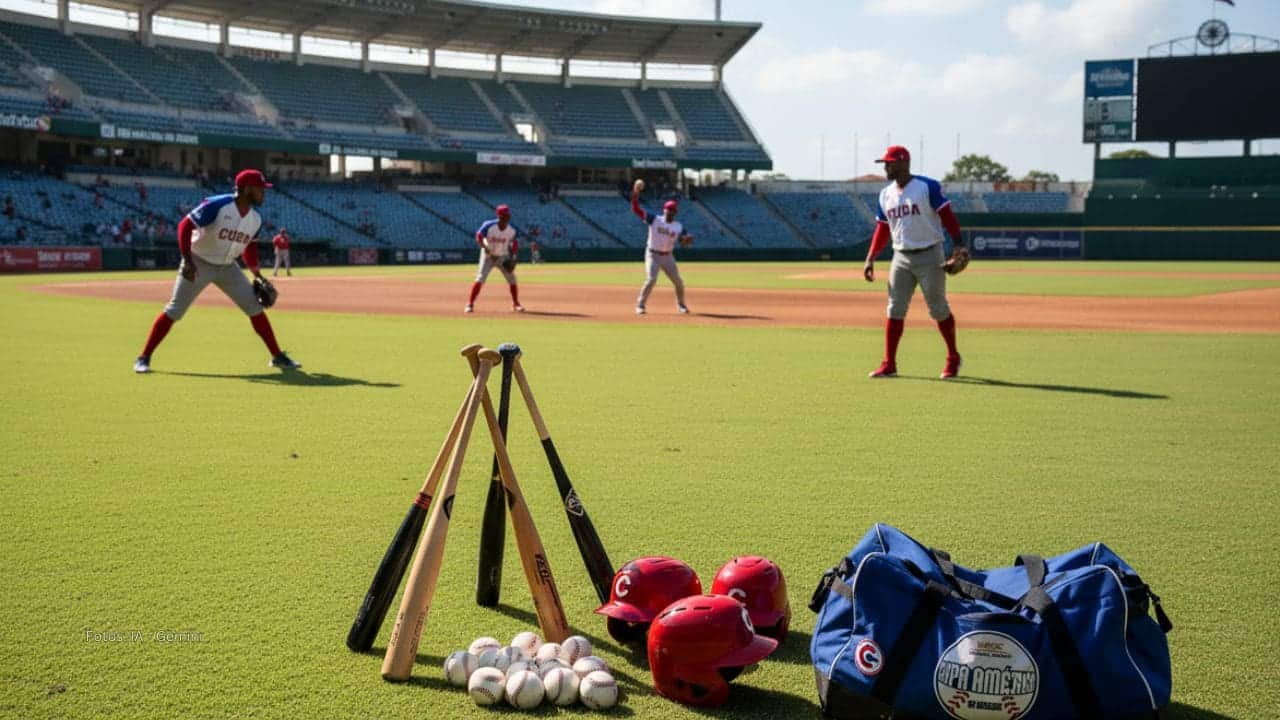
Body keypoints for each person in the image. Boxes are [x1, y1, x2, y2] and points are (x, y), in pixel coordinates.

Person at [133, 169, 299, 374]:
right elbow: (185, 226)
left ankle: (277, 356)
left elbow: (249, 247)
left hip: (227, 266)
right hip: (199, 262)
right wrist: (187, 260)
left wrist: (257, 274)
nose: (263, 193)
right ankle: (144, 357)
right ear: (247, 189)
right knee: (175, 309)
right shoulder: (218, 205)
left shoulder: (255, 219)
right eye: (259, 189)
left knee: (254, 308)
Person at [863, 145, 965, 379]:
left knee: (938, 309)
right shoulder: (885, 194)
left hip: (930, 254)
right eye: (885, 163)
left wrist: (958, 243)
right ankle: (889, 363)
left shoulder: (926, 187)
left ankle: (953, 357)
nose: (886, 167)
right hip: (900, 256)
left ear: (903, 162)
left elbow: (947, 215)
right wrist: (871, 258)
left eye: (889, 162)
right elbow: (882, 228)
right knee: (894, 309)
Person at [630, 179, 692, 315]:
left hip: (668, 256)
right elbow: (635, 209)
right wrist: (635, 193)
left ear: (675, 212)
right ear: (664, 210)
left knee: (678, 282)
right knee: (651, 279)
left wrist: (687, 240)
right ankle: (640, 305)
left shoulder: (678, 226)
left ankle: (681, 305)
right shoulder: (655, 219)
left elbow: (686, 240)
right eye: (667, 209)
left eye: (671, 210)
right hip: (653, 254)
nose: (668, 212)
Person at [464, 204, 523, 313]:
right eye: (505, 214)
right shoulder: (489, 225)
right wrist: (483, 246)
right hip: (488, 256)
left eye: (508, 214)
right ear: (499, 215)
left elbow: (514, 242)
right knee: (480, 278)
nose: (508, 216)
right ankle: (470, 304)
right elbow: (479, 235)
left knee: (512, 279)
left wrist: (514, 255)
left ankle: (516, 304)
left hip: (502, 256)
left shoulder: (512, 229)